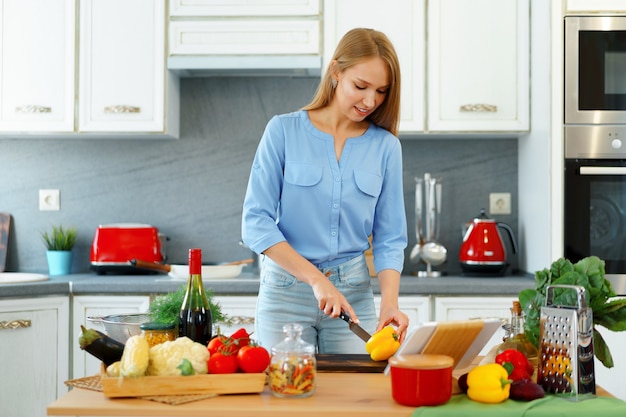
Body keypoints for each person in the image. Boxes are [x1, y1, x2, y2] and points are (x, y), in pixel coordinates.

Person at [241, 28, 409, 354]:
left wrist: (390, 302)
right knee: (284, 396)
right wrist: (317, 280)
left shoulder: (386, 147)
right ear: (336, 72)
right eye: (360, 86)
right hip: (286, 290)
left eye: (381, 91)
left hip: (353, 296)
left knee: (352, 399)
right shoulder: (283, 131)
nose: (370, 101)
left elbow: (390, 237)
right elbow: (255, 222)